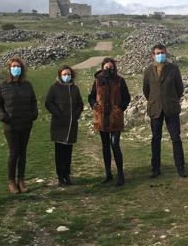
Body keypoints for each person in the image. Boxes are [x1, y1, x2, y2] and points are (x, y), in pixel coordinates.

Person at [0, 57, 38, 194]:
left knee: (23, 153)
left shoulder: (27, 85)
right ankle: (11, 181)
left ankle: (21, 180)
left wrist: (33, 115)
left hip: (25, 124)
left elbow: (33, 101)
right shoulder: (3, 85)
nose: (16, 68)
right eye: (13, 66)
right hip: (11, 126)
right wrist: (3, 117)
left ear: (22, 69)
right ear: (9, 68)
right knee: (14, 153)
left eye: (18, 66)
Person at [143, 44, 187, 178]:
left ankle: (180, 167)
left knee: (176, 138)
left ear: (166, 53)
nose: (160, 55)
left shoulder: (173, 69)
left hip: (171, 108)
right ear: (153, 55)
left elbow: (179, 88)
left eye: (162, 52)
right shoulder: (148, 70)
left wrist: (171, 99)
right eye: (157, 53)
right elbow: (146, 90)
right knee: (155, 139)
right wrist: (155, 100)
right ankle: (155, 168)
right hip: (155, 109)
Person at [88, 58, 131, 186]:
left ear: (114, 68)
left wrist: (120, 108)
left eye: (111, 67)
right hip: (101, 118)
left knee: (115, 144)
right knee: (105, 145)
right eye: (106, 67)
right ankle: (108, 174)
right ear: (102, 68)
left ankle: (120, 174)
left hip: (115, 118)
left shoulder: (119, 80)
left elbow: (126, 97)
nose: (108, 69)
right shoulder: (97, 81)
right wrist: (94, 105)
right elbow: (91, 96)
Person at [45, 65, 84, 185]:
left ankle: (67, 174)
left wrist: (75, 115)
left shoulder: (75, 89)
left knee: (68, 151)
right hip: (59, 124)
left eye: (68, 74)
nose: (67, 76)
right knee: (59, 151)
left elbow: (80, 104)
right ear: (60, 75)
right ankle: (60, 175)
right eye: (64, 74)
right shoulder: (54, 88)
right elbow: (48, 102)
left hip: (71, 124)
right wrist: (57, 113)